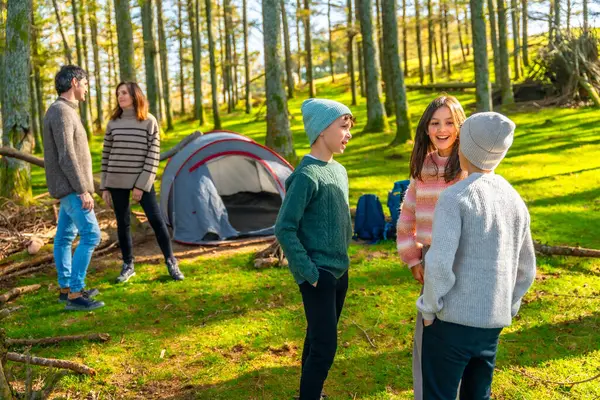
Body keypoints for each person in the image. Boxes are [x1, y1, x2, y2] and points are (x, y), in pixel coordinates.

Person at [418, 112, 537, 400]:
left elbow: (439, 264)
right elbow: (527, 270)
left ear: (464, 148)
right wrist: (507, 307)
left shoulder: (455, 197)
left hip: (450, 324)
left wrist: (430, 308)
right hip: (491, 326)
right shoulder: (515, 200)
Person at [275, 99, 354, 400]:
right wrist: (309, 272)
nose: (348, 134)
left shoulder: (340, 170)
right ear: (322, 130)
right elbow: (284, 227)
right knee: (325, 347)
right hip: (318, 275)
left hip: (339, 271)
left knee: (316, 338)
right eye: (343, 127)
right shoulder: (306, 176)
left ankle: (310, 393)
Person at [395, 95, 467, 399]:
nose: (442, 129)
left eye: (449, 122)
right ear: (426, 129)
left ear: (460, 126)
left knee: (460, 332)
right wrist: (413, 258)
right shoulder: (422, 168)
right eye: (435, 123)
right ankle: (425, 393)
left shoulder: (469, 167)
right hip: (430, 255)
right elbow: (407, 216)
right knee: (428, 329)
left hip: (464, 259)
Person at [100, 82, 184, 283]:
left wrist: (141, 185)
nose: (120, 96)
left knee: (156, 221)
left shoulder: (149, 121)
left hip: (142, 180)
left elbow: (153, 156)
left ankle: (171, 261)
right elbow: (105, 155)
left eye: (124, 93)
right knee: (123, 223)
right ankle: (128, 265)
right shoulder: (113, 123)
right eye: (118, 93)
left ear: (135, 95)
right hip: (116, 179)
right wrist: (104, 185)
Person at [43, 65, 104, 311]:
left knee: (65, 237)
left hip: (67, 186)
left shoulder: (64, 110)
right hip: (70, 187)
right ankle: (75, 294)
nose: (87, 88)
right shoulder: (61, 112)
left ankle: (66, 288)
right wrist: (82, 189)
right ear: (75, 83)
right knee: (91, 235)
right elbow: (67, 156)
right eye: (86, 83)